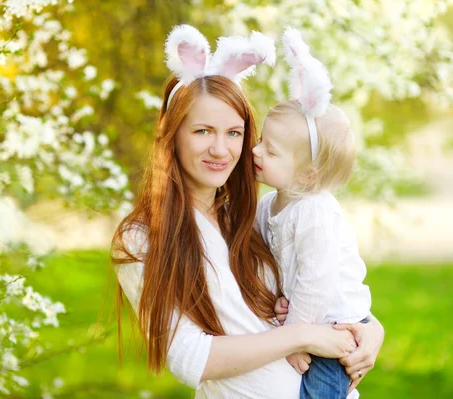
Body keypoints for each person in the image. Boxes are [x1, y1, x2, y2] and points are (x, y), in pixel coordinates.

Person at [112, 25, 384, 398]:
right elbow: (190, 357)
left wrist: (370, 330)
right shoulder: (142, 237)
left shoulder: (253, 215)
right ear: (172, 134)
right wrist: (300, 336)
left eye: (234, 133)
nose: (221, 150)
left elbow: (323, 278)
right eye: (203, 131)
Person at [253, 27, 374, 399]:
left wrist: (294, 335)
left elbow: (317, 281)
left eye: (270, 151)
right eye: (260, 140)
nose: (255, 152)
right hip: (310, 319)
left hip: (335, 326)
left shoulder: (314, 212)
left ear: (307, 174)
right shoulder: (269, 204)